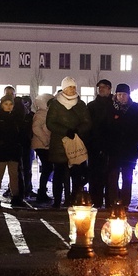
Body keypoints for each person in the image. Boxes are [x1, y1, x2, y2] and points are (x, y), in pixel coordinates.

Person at [46, 77, 92, 208]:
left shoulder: (80, 104)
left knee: (76, 175)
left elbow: (87, 122)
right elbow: (50, 123)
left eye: (73, 87)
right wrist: (65, 131)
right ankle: (57, 199)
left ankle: (74, 198)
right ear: (64, 88)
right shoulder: (56, 104)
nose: (72, 89)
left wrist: (78, 130)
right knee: (59, 175)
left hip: (75, 144)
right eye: (69, 87)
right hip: (59, 144)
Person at [105, 83, 138, 209]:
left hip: (129, 149)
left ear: (128, 95)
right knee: (113, 176)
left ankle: (125, 201)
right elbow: (106, 127)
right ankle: (113, 200)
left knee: (127, 177)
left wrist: (135, 141)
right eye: (119, 94)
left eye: (124, 95)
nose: (121, 97)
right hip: (113, 148)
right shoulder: (110, 108)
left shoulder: (136, 108)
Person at [0, 95, 25, 207]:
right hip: (1, 150)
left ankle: (16, 196)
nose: (8, 107)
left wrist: (19, 144)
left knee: (13, 175)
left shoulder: (16, 117)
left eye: (10, 104)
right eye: (6, 104)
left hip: (13, 150)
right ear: (1, 105)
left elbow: (21, 133)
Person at [86, 79, 113, 208]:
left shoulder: (114, 105)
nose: (101, 89)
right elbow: (88, 126)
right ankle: (95, 200)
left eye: (104, 87)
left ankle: (109, 201)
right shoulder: (91, 106)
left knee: (109, 176)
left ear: (109, 89)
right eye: (99, 87)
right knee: (94, 176)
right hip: (94, 146)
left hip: (110, 146)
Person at [31, 93, 54, 202]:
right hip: (41, 145)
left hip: (43, 144)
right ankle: (41, 192)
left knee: (47, 167)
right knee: (47, 167)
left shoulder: (45, 113)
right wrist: (46, 140)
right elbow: (36, 128)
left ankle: (42, 191)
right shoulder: (42, 114)